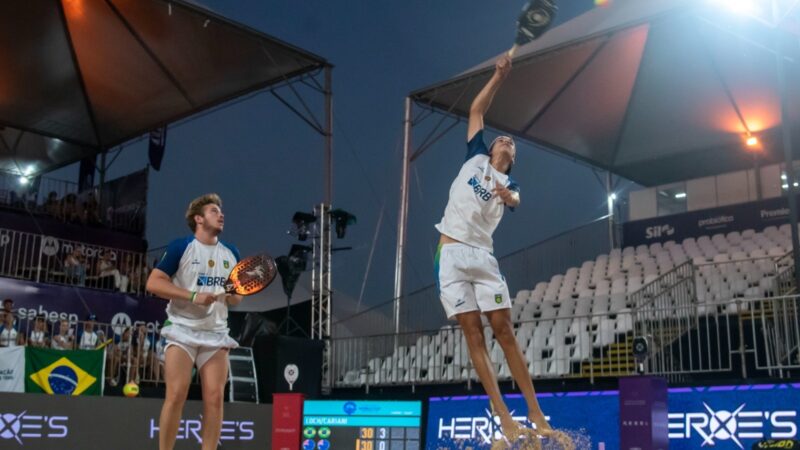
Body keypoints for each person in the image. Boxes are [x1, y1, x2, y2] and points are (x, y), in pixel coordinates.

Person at [434, 55, 553, 441]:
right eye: (501, 137)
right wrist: (498, 76)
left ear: (512, 159)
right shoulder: (475, 155)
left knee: (504, 331)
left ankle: (536, 411)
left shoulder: (512, 186)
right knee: (473, 336)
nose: (504, 139)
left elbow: (516, 202)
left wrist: (507, 194)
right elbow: (477, 109)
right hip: (450, 255)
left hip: (482, 258)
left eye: (511, 142)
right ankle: (503, 415)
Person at [146, 193, 243, 450]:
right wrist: (193, 296)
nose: (221, 214)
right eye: (213, 211)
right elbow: (153, 283)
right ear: (198, 219)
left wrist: (233, 295)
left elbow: (236, 300)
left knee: (215, 398)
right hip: (182, 329)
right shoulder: (181, 247)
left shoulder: (231, 252)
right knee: (177, 395)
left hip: (215, 332)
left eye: (221, 211)